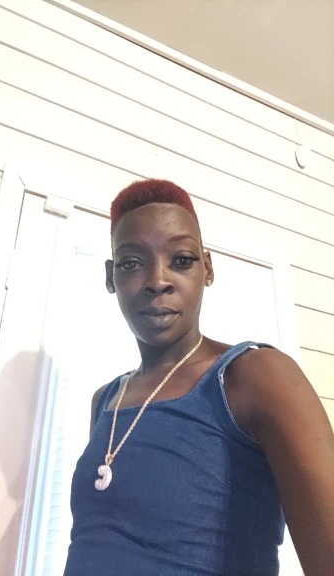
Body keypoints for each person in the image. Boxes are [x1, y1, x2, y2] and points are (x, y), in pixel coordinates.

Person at [63, 179, 334, 576]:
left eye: (181, 259)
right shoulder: (106, 401)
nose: (158, 280)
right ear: (110, 276)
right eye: (132, 263)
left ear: (207, 268)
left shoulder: (255, 376)